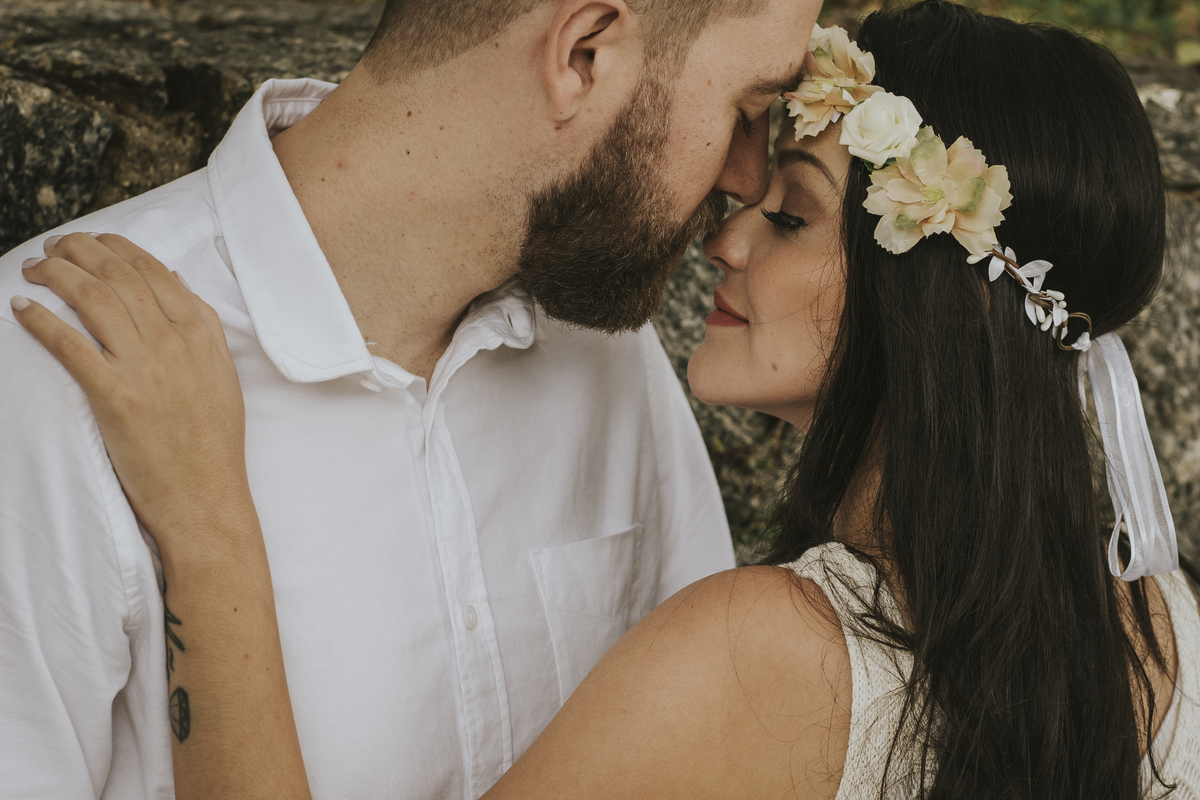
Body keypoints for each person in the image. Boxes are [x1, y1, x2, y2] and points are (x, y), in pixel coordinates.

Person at [14, 1, 1200, 798]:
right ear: (582, 50)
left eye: (788, 203)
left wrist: (214, 541)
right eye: (747, 117)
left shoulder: (624, 393)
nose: (737, 205)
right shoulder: (1164, 633)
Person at [0, 1, 822, 797]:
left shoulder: (604, 349)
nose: (749, 179)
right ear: (584, 53)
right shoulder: (50, 369)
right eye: (747, 109)